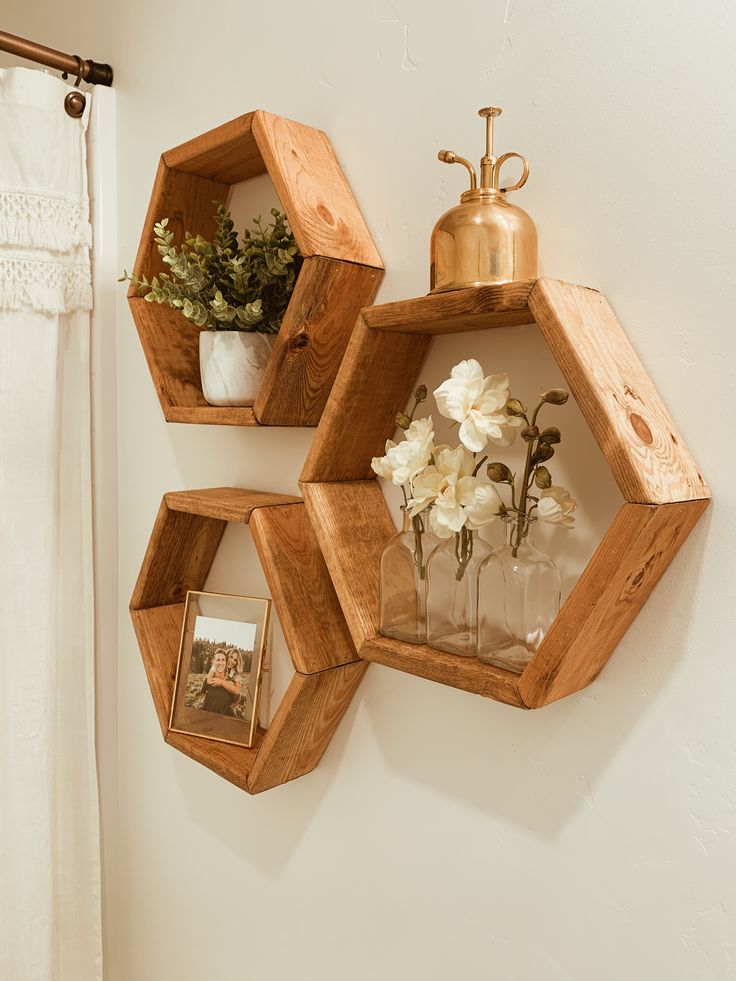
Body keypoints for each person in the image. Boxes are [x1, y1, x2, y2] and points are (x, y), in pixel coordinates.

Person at [200, 648, 240, 716]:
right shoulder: (214, 668)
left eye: (235, 660)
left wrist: (222, 682)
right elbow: (208, 681)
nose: (232, 661)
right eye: (231, 657)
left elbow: (237, 692)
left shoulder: (233, 674)